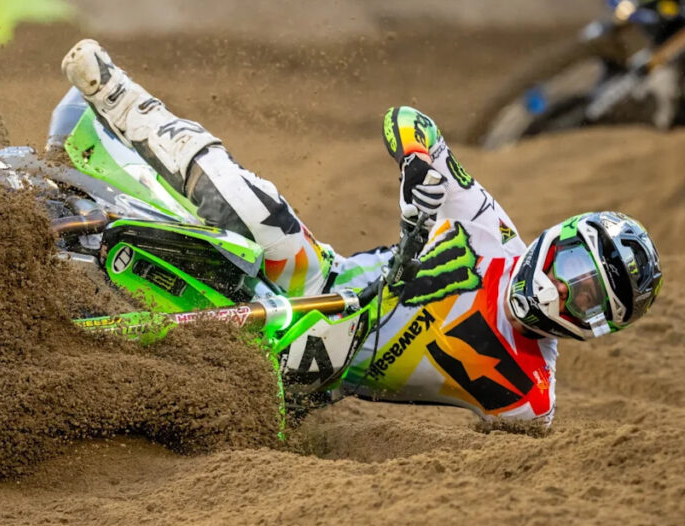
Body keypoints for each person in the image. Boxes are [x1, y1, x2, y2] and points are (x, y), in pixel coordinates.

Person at [61, 39, 663, 426]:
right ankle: (125, 100)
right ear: (555, 243)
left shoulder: (529, 398)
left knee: (313, 355)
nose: (565, 292)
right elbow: (409, 119)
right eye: (573, 271)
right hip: (319, 281)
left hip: (323, 382)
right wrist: (417, 163)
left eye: (587, 301)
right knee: (258, 209)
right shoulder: (490, 232)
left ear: (593, 328)